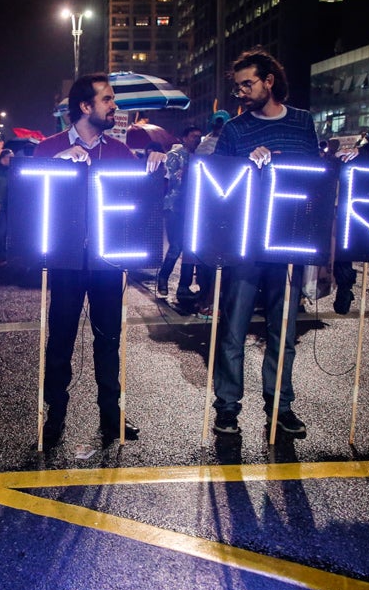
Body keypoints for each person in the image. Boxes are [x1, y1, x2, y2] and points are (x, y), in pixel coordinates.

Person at [34, 73, 166, 448]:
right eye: (107, 100)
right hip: (65, 262)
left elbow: (145, 201)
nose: (115, 106)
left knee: (109, 341)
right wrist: (58, 164)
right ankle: (53, 416)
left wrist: (155, 168)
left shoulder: (120, 153)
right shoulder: (49, 148)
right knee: (59, 341)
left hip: (108, 261)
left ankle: (112, 416)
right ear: (85, 106)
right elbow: (29, 194)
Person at [210, 48, 319, 440]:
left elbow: (313, 178)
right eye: (237, 85)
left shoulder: (304, 123)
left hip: (288, 240)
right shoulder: (235, 130)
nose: (241, 91)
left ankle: (280, 407)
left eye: (247, 83)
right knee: (233, 329)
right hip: (246, 244)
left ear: (269, 81)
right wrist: (246, 167)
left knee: (284, 330)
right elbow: (219, 182)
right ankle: (227, 408)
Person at [156, 125, 203, 302]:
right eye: (193, 136)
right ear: (184, 138)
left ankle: (184, 286)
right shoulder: (174, 156)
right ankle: (163, 277)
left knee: (189, 248)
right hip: (174, 207)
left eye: (199, 136)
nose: (196, 139)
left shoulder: (199, 158)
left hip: (192, 209)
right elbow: (168, 180)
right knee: (176, 245)